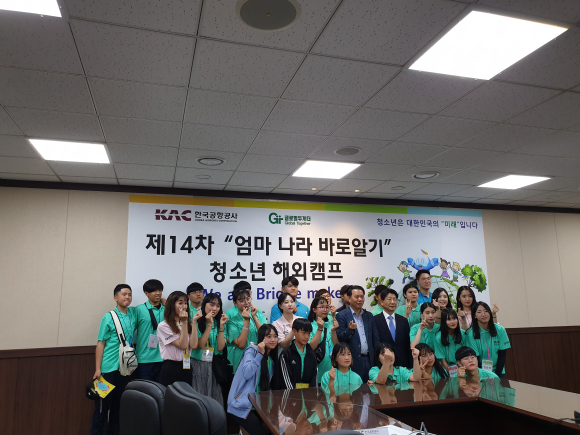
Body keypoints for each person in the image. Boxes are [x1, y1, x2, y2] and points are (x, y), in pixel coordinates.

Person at [91, 284, 138, 435]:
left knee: (118, 408)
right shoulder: (108, 317)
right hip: (107, 370)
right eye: (124, 294)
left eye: (130, 294)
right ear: (115, 298)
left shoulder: (133, 314)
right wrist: (98, 369)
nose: (127, 297)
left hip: (125, 370)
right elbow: (100, 343)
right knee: (101, 409)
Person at [227, 324, 279, 435]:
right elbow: (247, 373)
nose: (273, 340)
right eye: (269, 336)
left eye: (275, 336)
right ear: (261, 338)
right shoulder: (252, 350)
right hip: (241, 405)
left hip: (258, 406)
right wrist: (260, 354)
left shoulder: (271, 360)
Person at [156, 291, 201, 387]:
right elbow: (182, 345)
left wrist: (194, 322)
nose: (184, 306)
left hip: (186, 365)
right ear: (172, 305)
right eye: (180, 303)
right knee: (170, 395)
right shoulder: (164, 326)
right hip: (171, 367)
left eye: (185, 303)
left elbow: (193, 345)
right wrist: (184, 322)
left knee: (186, 395)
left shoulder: (188, 324)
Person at [336, 285, 379, 382]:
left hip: (370, 360)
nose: (360, 299)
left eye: (362, 297)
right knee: (355, 389)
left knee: (371, 388)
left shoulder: (369, 315)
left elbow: (375, 339)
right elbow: (340, 339)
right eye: (356, 297)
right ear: (349, 298)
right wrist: (349, 330)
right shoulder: (342, 315)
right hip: (352, 361)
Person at [193, 293, 229, 405]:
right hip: (199, 363)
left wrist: (221, 326)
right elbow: (200, 344)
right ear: (204, 305)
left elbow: (220, 347)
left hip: (215, 363)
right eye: (211, 305)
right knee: (200, 395)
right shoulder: (197, 319)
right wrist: (209, 325)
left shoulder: (220, 321)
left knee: (216, 396)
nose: (215, 308)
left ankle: (215, 416)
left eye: (218, 306)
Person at [226, 283, 266, 373]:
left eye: (248, 299)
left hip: (258, 353)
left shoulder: (257, 312)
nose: (246, 302)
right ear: (235, 303)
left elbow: (265, 334)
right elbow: (240, 344)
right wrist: (246, 320)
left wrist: (254, 317)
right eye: (241, 300)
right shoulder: (233, 320)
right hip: (241, 356)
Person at [467, 302, 511, 378]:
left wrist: (496, 376)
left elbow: (502, 355)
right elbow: (475, 357)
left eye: (486, 311)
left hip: (498, 371)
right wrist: (483, 375)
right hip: (480, 372)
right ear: (474, 315)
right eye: (479, 312)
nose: (483, 314)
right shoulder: (471, 333)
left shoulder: (500, 330)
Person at [374, 288, 412, 369]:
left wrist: (410, 365)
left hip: (403, 364)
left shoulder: (403, 320)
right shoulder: (375, 320)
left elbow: (407, 344)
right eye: (389, 299)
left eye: (395, 299)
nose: (392, 302)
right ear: (382, 302)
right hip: (383, 364)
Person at [134, 279, 165, 382]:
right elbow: (130, 331)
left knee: (161, 389)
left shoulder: (167, 309)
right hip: (144, 358)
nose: (158, 293)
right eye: (154, 291)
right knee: (145, 389)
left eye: (160, 290)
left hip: (163, 358)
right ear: (146, 293)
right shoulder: (139, 309)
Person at [278, 318, 319, 389]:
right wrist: (294, 394)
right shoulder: (286, 354)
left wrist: (312, 393)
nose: (307, 337)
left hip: (308, 393)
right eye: (303, 333)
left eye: (309, 333)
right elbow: (285, 380)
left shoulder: (311, 354)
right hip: (290, 394)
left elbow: (314, 378)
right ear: (294, 331)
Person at [308, 296, 339, 382]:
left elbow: (337, 346)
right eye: (322, 307)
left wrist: (333, 331)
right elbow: (311, 347)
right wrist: (320, 329)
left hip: (332, 366)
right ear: (314, 309)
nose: (325, 309)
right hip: (318, 367)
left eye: (327, 307)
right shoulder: (310, 325)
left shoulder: (330, 324)